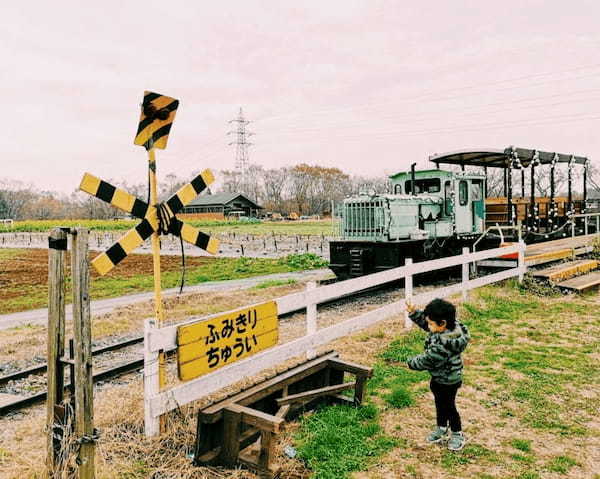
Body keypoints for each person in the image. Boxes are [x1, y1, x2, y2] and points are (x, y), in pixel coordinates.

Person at [405, 298, 470, 451]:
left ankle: (457, 433)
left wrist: (409, 362)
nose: (428, 326)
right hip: (439, 377)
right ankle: (441, 428)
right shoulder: (447, 326)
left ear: (442, 324)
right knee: (439, 404)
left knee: (449, 407)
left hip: (448, 380)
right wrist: (414, 313)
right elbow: (427, 322)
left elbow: (426, 360)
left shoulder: (444, 345)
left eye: (431, 324)